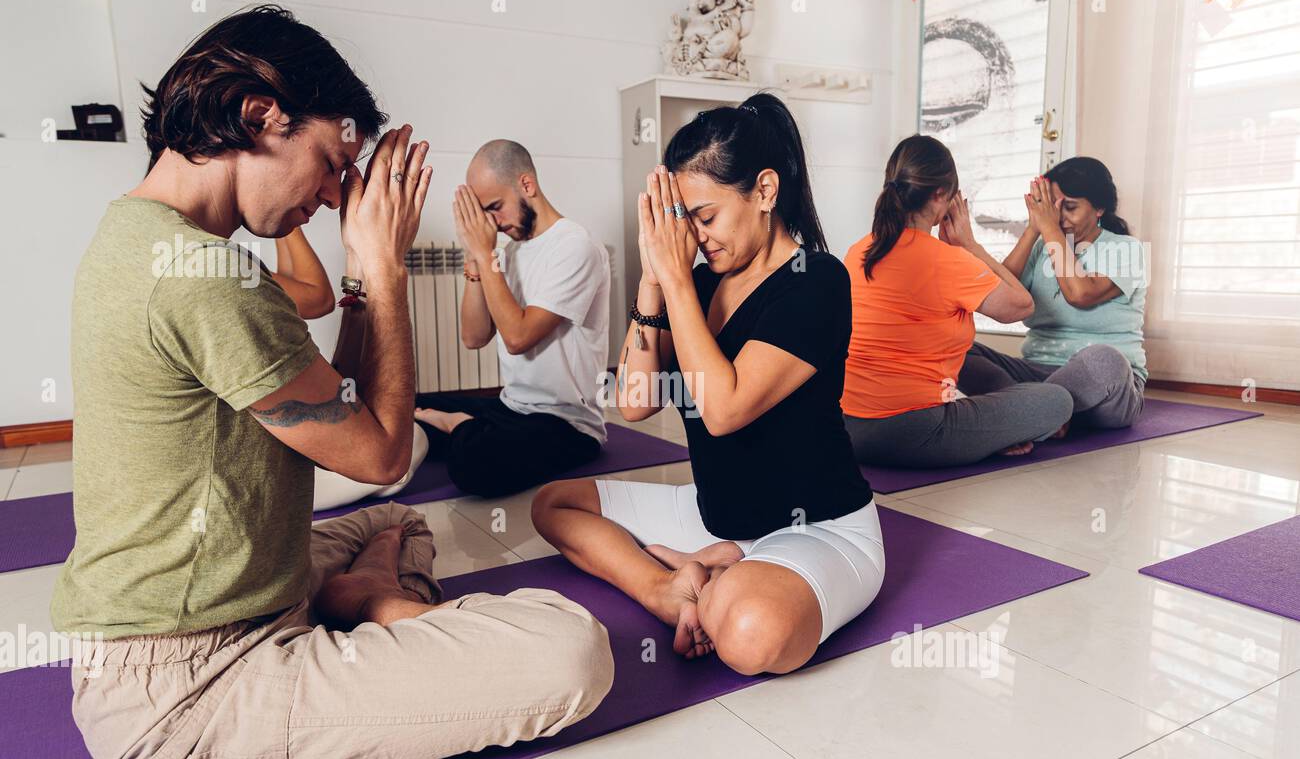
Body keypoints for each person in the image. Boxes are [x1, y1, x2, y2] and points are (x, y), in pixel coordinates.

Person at [51, 5, 612, 759]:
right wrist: (383, 270)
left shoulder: (145, 238)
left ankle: (359, 597)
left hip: (242, 598)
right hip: (185, 690)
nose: (328, 196)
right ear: (258, 116)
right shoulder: (204, 280)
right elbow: (383, 453)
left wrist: (358, 279)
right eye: (327, 163)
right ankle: (378, 606)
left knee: (397, 520)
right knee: (573, 650)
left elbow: (347, 416)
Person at [532, 93, 885, 677]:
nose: (694, 238)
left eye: (705, 217)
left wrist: (675, 278)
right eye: (683, 221)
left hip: (818, 528)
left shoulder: (817, 281)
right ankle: (668, 589)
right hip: (715, 516)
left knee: (749, 636)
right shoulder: (692, 282)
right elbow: (635, 403)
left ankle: (720, 576)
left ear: (765, 192)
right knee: (554, 504)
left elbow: (722, 410)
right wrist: (654, 281)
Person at [841, 135, 1073, 467]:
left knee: (970, 356)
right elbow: (1022, 305)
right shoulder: (945, 259)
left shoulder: (859, 251)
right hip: (916, 432)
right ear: (939, 196)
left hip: (848, 430)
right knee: (1058, 400)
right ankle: (998, 430)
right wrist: (968, 245)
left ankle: (997, 424)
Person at [412, 140, 611, 498]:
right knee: (408, 406)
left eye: (496, 207)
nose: (494, 223)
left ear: (527, 186)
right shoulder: (510, 253)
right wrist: (476, 260)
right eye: (485, 214)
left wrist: (486, 252)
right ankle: (463, 428)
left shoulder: (574, 246)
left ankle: (460, 429)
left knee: (473, 465)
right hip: (511, 406)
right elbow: (473, 337)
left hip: (566, 424)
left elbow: (518, 337)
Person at [959, 156, 1148, 431]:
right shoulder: (1042, 247)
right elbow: (1001, 294)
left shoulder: (1128, 249)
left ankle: (1030, 411)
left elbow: (1080, 294)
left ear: (1099, 208)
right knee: (960, 347)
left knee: (1105, 359)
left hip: (1105, 385)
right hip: (1035, 372)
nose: (1058, 218)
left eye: (1069, 207)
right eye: (1052, 208)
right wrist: (1033, 228)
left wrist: (1048, 228)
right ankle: (1044, 413)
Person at [264, 226, 430, 511]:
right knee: (406, 447)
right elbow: (318, 298)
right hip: (262, 480)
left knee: (407, 436)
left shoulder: (208, 257)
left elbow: (293, 292)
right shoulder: (227, 268)